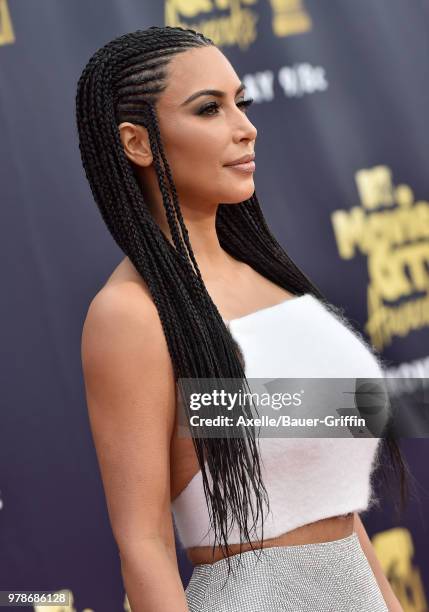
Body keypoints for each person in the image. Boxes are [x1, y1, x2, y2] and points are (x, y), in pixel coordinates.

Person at [75, 25, 407, 611]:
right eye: (208, 108)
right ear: (136, 142)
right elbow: (144, 543)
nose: (245, 127)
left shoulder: (273, 281)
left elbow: (332, 510)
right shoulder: (129, 314)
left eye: (241, 103)